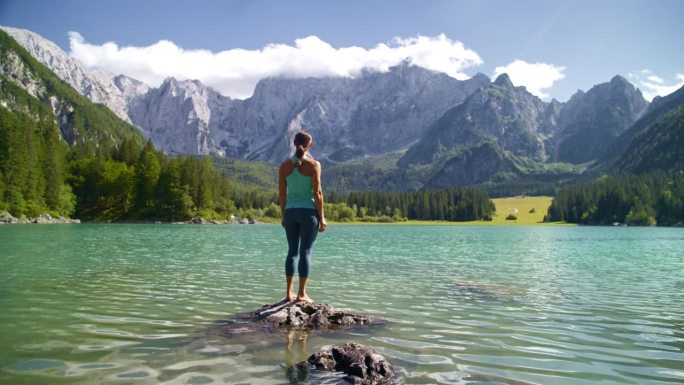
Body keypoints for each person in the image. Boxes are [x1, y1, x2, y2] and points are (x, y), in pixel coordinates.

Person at [278, 131, 327, 303]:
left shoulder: (284, 166)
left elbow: (282, 195)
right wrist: (322, 218)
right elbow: (318, 193)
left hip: (290, 212)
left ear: (293, 143)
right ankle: (301, 294)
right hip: (308, 213)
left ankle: (288, 294)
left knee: (292, 252)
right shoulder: (314, 165)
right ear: (310, 146)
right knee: (305, 252)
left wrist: (283, 216)